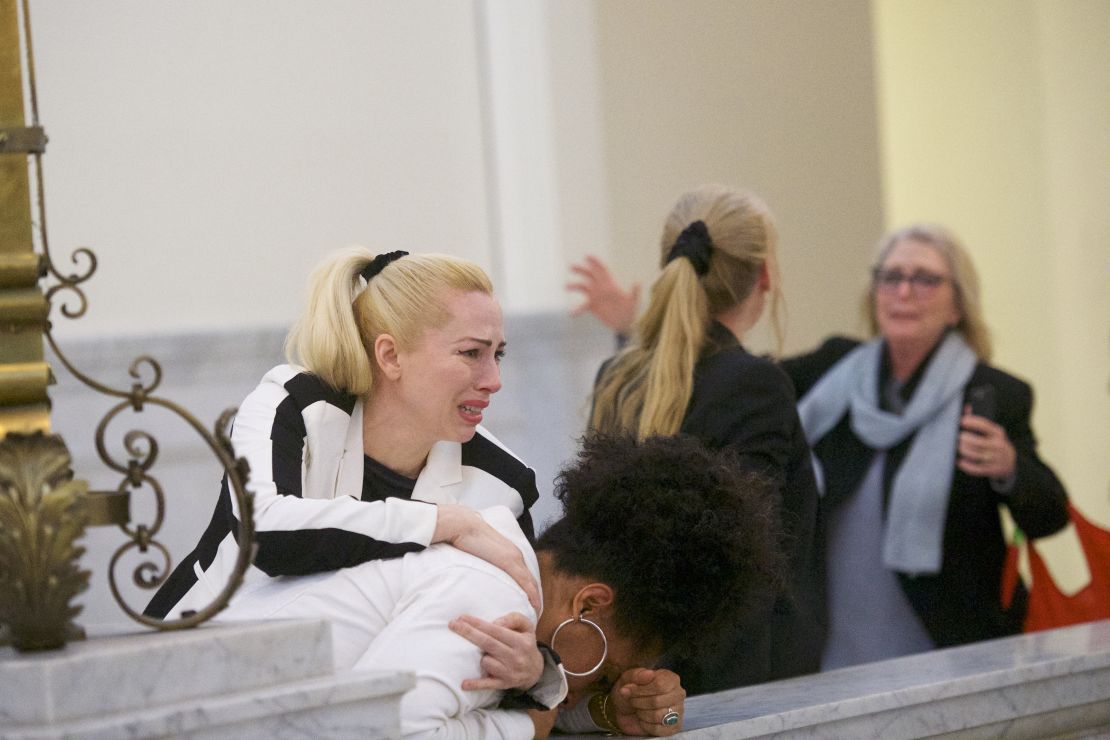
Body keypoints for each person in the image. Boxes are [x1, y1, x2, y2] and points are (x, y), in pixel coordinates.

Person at [145, 248, 554, 702]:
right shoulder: (294, 403)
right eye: (471, 353)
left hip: (331, 701)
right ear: (391, 356)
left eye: (497, 354)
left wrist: (533, 671)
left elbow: (515, 630)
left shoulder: (505, 481)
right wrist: (444, 523)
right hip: (180, 673)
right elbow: (264, 535)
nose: (493, 379)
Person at [218, 433, 784, 738]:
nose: (601, 686)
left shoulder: (513, 578)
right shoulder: (491, 596)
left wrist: (616, 715)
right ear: (589, 604)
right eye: (608, 672)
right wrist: (527, 725)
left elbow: (503, 694)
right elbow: (376, 735)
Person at [780, 223, 1070, 668]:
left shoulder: (992, 393)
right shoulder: (832, 373)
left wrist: (1009, 467)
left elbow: (1049, 516)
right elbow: (747, 388)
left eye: (925, 279)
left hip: (952, 649)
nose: (904, 292)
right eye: (891, 277)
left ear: (958, 305)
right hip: (833, 651)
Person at [581, 184, 824, 694]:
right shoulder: (752, 384)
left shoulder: (619, 377)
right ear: (764, 276)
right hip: (740, 689)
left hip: (635, 678)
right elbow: (743, 569)